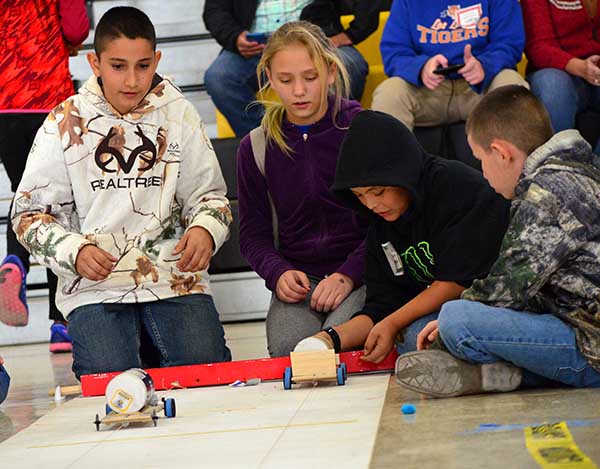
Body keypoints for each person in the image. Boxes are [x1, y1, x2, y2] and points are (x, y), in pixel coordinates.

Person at [11, 7, 232, 379]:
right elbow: (28, 216)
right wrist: (74, 251)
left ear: (157, 60)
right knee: (110, 386)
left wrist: (206, 229)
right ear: (94, 63)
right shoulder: (63, 122)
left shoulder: (178, 113)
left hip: (174, 280)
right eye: (118, 66)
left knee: (207, 376)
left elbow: (211, 197)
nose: (132, 80)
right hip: (96, 289)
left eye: (143, 66)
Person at [395, 85, 600, 398]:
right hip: (576, 322)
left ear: (502, 153)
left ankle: (501, 374)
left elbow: (506, 288)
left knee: (454, 319)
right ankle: (498, 376)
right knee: (429, 331)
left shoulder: (549, 192)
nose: (483, 172)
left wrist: (452, 325)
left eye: (481, 159)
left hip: (591, 347)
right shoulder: (574, 171)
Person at [294, 109, 510, 363]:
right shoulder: (382, 220)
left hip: (497, 304)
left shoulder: (456, 188)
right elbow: (380, 306)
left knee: (415, 337)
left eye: (378, 191)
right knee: (408, 338)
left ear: (403, 174)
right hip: (444, 313)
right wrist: (328, 339)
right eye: (360, 196)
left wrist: (393, 323)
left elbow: (455, 283)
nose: (371, 204)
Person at [237, 21, 368, 357]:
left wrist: (348, 275)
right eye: (285, 80)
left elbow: (391, 221)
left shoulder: (362, 129)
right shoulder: (255, 147)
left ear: (330, 72)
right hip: (300, 281)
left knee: (338, 349)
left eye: (310, 78)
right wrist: (277, 272)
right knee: (288, 351)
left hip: (361, 274)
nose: (299, 91)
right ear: (268, 74)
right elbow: (252, 235)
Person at [0, 0, 89, 352]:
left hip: (4, 104)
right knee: (60, 204)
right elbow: (76, 28)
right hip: (50, 101)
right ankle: (61, 322)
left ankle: (15, 261)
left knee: (26, 195)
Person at [203, 0, 383, 136]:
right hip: (256, 48)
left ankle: (330, 138)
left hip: (317, 42)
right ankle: (271, 141)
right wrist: (234, 37)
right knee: (219, 78)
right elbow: (214, 10)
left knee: (351, 65)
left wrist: (351, 34)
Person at [372, 0, 528, 133]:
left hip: (480, 89)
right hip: (429, 90)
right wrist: (421, 67)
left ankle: (517, 168)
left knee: (512, 85)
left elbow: (509, 43)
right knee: (389, 93)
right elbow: (393, 51)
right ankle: (394, 168)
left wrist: (484, 65)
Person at [522, 0, 600, 154]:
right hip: (556, 72)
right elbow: (538, 47)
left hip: (596, 71)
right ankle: (556, 169)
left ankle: (595, 172)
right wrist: (580, 67)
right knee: (554, 85)